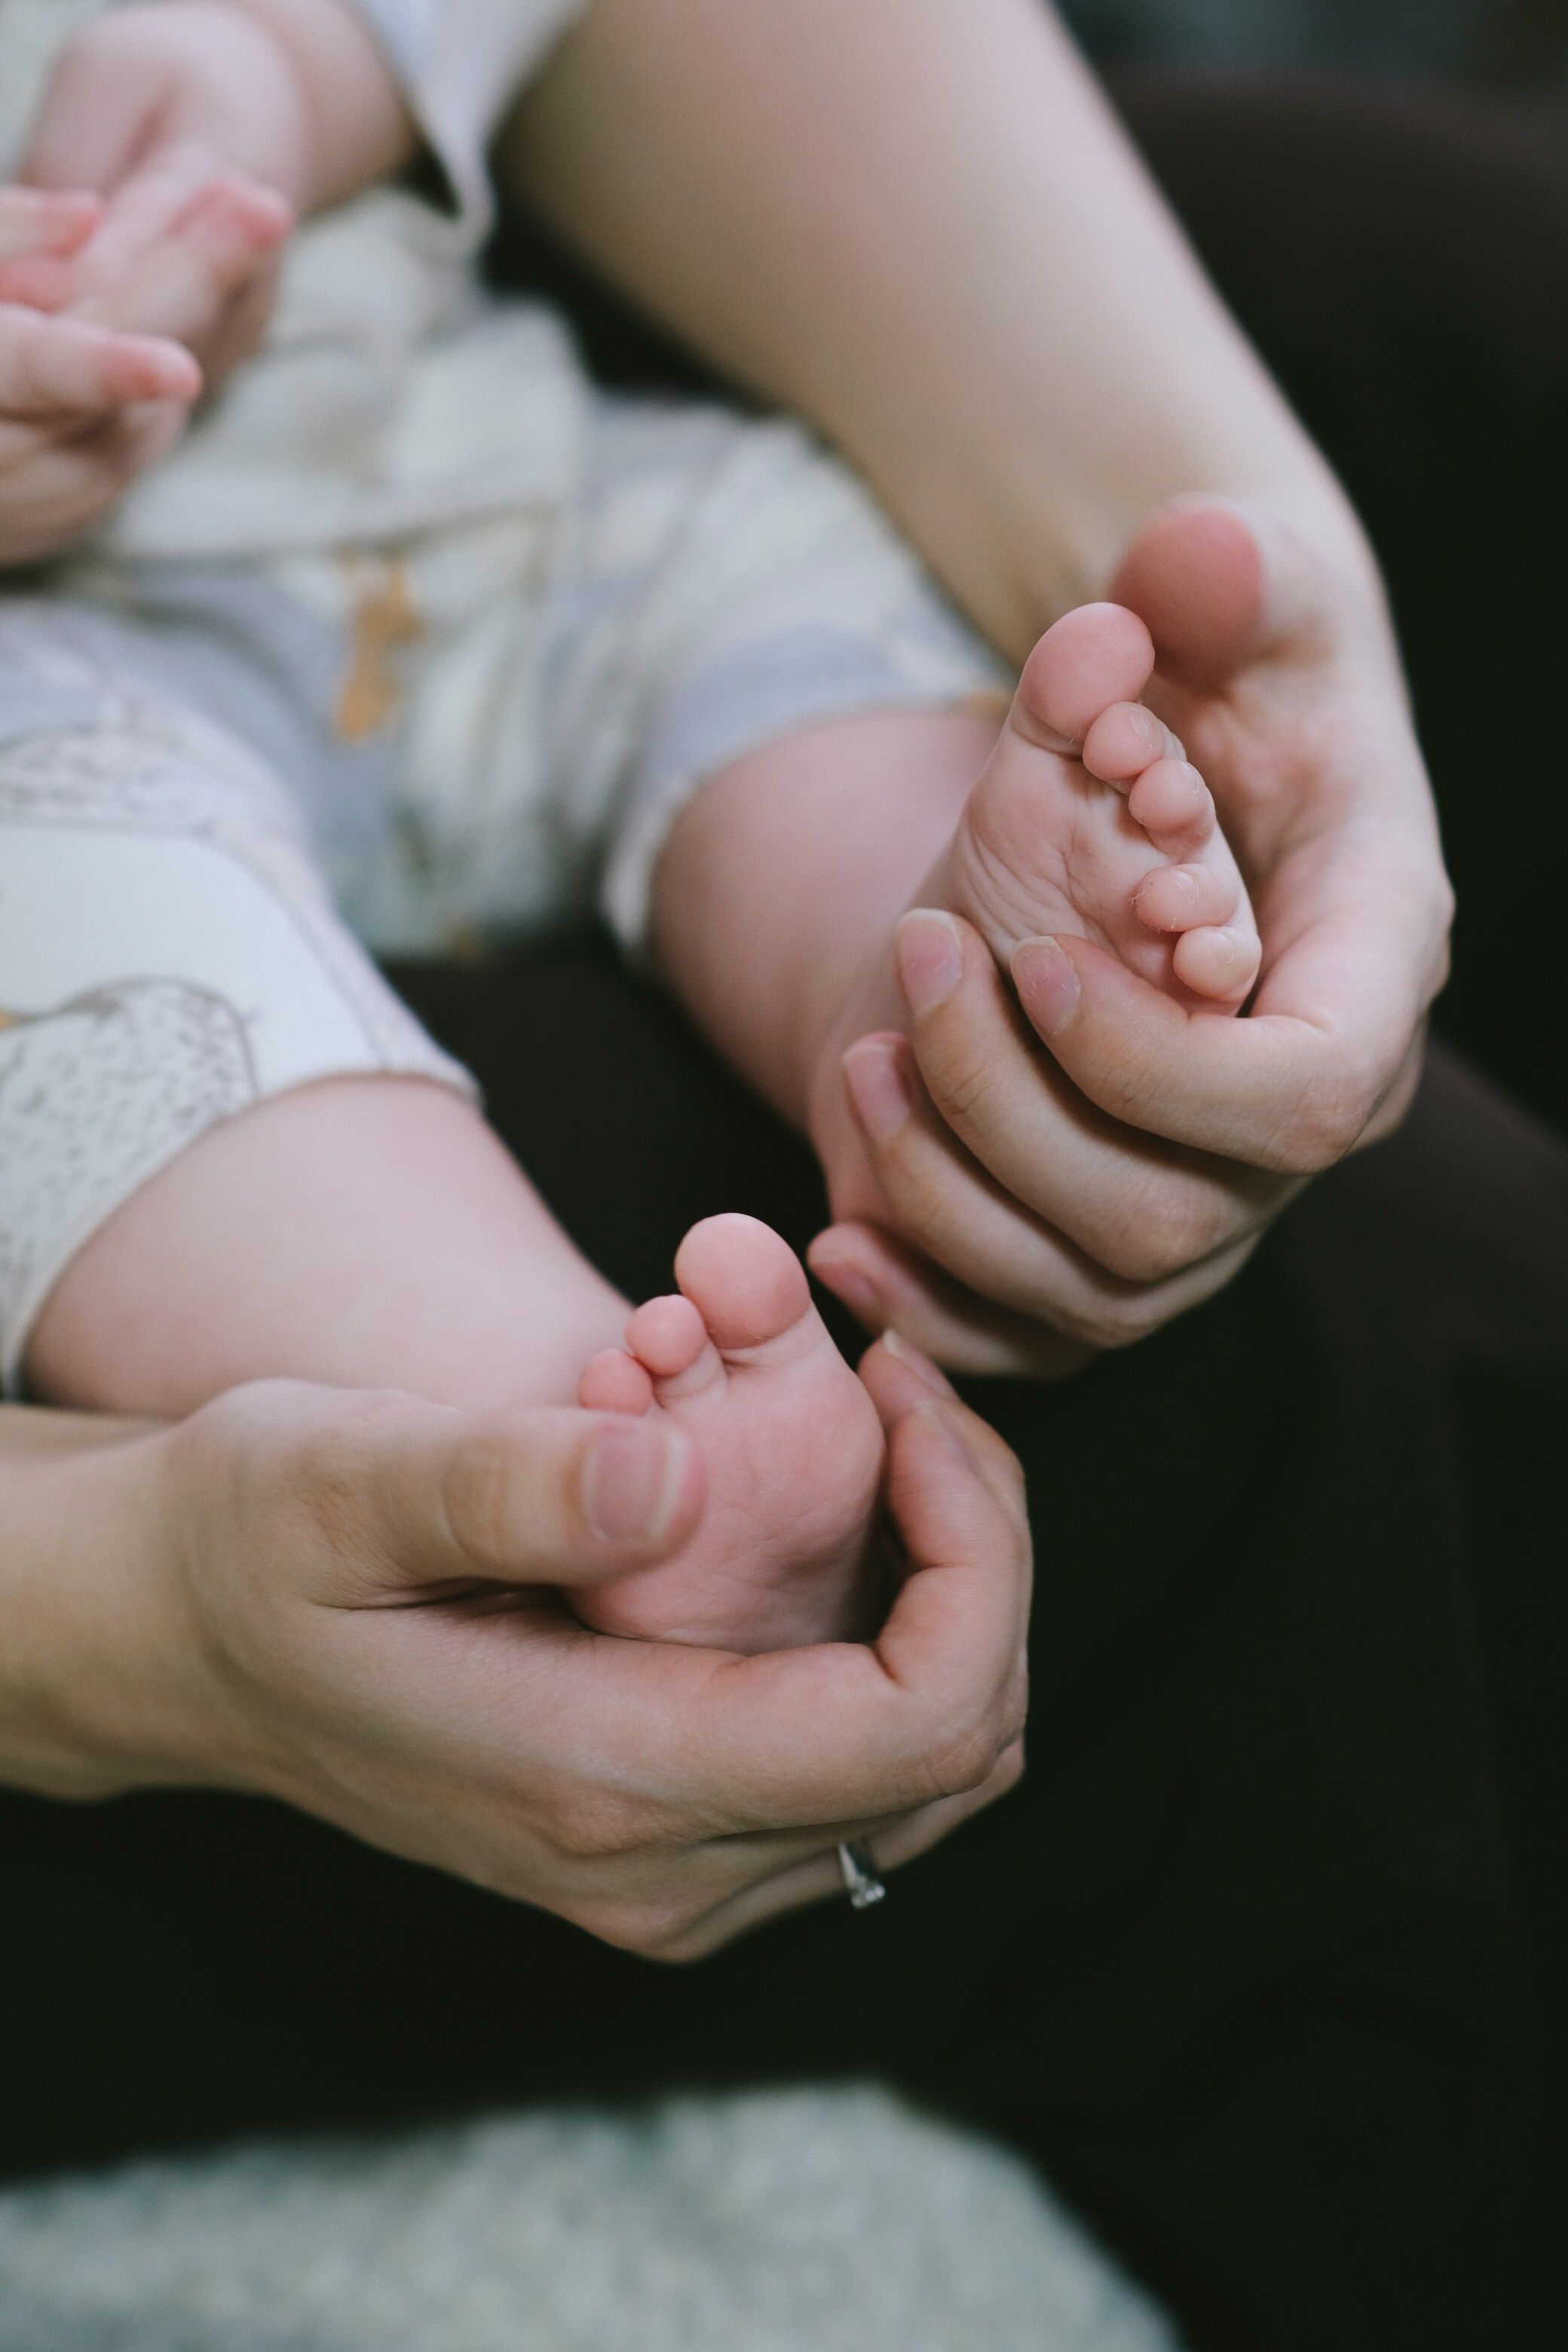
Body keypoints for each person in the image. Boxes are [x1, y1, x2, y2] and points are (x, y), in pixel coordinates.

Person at [2, 5, 1548, 2347]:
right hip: (41, 738)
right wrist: (126, 1606)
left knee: (793, 625)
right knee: (119, 997)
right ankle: (556, 1443)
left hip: (467, 455)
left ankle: (976, 997)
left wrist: (255, 71)